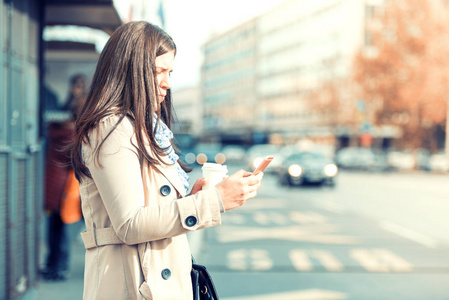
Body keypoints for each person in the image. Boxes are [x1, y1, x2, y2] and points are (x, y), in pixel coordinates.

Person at [71, 21, 263, 299]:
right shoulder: (111, 128)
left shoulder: (146, 127)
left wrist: (194, 199)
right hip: (130, 286)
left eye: (170, 71)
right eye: (159, 72)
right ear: (131, 71)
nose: (167, 83)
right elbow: (129, 224)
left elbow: (153, 212)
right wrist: (214, 200)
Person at [40, 75, 86, 281]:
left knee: (56, 228)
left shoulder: (53, 134)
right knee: (64, 229)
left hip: (54, 186)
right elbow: (75, 161)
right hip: (66, 188)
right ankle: (59, 267)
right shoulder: (72, 139)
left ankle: (53, 265)